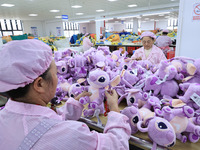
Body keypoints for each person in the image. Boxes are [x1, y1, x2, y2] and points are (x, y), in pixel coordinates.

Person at [0, 39, 131, 150]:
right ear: (39, 84)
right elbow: (116, 145)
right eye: (55, 74)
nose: (57, 79)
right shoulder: (72, 135)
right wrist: (114, 109)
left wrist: (74, 104)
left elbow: (44, 126)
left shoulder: (4, 118)